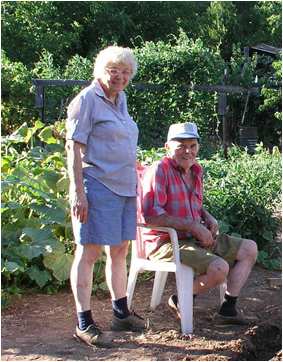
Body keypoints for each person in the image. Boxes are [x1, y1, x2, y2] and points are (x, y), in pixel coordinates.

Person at [65, 45, 145, 347]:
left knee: (120, 251)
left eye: (126, 72)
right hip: (97, 186)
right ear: (102, 70)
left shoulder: (120, 100)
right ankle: (83, 322)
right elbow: (73, 148)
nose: (120, 77)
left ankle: (120, 313)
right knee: (89, 252)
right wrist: (78, 192)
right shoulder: (87, 100)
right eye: (114, 70)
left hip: (124, 187)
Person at [141, 122, 258, 325]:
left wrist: (207, 216)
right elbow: (151, 216)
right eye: (181, 146)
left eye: (192, 146)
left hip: (193, 237)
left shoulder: (196, 171)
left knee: (249, 248)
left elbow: (194, 206)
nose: (188, 151)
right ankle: (180, 298)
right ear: (167, 147)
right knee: (219, 269)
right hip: (165, 241)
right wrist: (193, 226)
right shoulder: (159, 170)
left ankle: (227, 309)